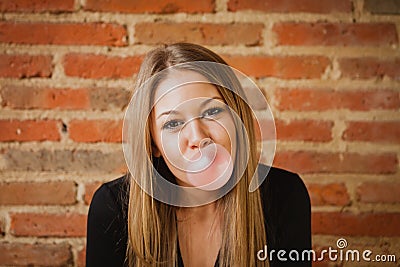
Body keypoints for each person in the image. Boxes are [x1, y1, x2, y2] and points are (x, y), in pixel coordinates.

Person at [86, 43, 311, 267]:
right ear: (153, 143)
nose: (197, 138)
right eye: (173, 123)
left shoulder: (285, 195)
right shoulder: (112, 208)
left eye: (212, 111)